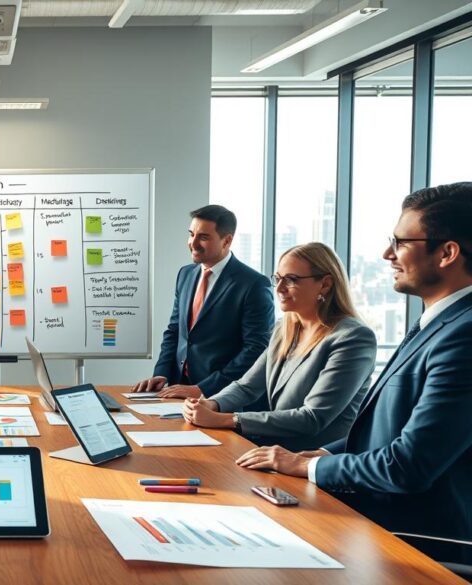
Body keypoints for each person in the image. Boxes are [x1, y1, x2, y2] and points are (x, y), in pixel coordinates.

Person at [236, 183, 472, 564]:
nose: (386, 254)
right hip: (376, 522)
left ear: (447, 253)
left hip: (416, 544)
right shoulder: (436, 324)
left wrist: (307, 464)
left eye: (400, 242)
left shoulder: (464, 334)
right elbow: (385, 430)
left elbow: (409, 466)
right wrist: (323, 454)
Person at [182, 242, 376, 451]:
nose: (280, 288)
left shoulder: (352, 338)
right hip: (274, 453)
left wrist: (226, 419)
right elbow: (246, 386)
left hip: (316, 465)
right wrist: (211, 404)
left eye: (291, 279)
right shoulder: (284, 328)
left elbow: (312, 417)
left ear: (325, 284)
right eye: (278, 279)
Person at [132, 205, 275, 399]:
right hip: (177, 390)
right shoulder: (186, 274)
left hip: (222, 397)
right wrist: (162, 373)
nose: (193, 243)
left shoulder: (254, 284)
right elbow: (175, 331)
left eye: (204, 237)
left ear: (227, 241)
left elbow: (256, 350)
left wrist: (204, 388)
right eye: (191, 234)